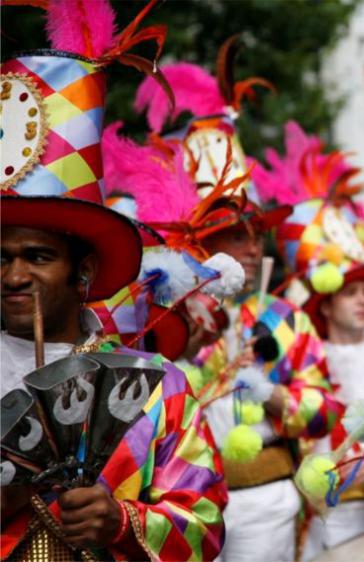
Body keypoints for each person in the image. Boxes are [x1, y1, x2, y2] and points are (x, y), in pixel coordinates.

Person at [0, 6, 227, 557]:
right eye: (0, 256)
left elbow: (206, 527)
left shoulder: (157, 388)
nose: (13, 275)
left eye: (37, 256)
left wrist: (122, 522)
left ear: (83, 271)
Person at [135, 59, 341, 562]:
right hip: (172, 504)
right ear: (203, 245)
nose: (251, 250)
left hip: (262, 502)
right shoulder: (162, 316)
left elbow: (324, 413)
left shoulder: (284, 319)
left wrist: (270, 393)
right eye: (234, 237)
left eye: (255, 237)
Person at [252, 121, 364, 554]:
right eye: (349, 292)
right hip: (322, 517)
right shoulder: (305, 359)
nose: (362, 301)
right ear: (326, 304)